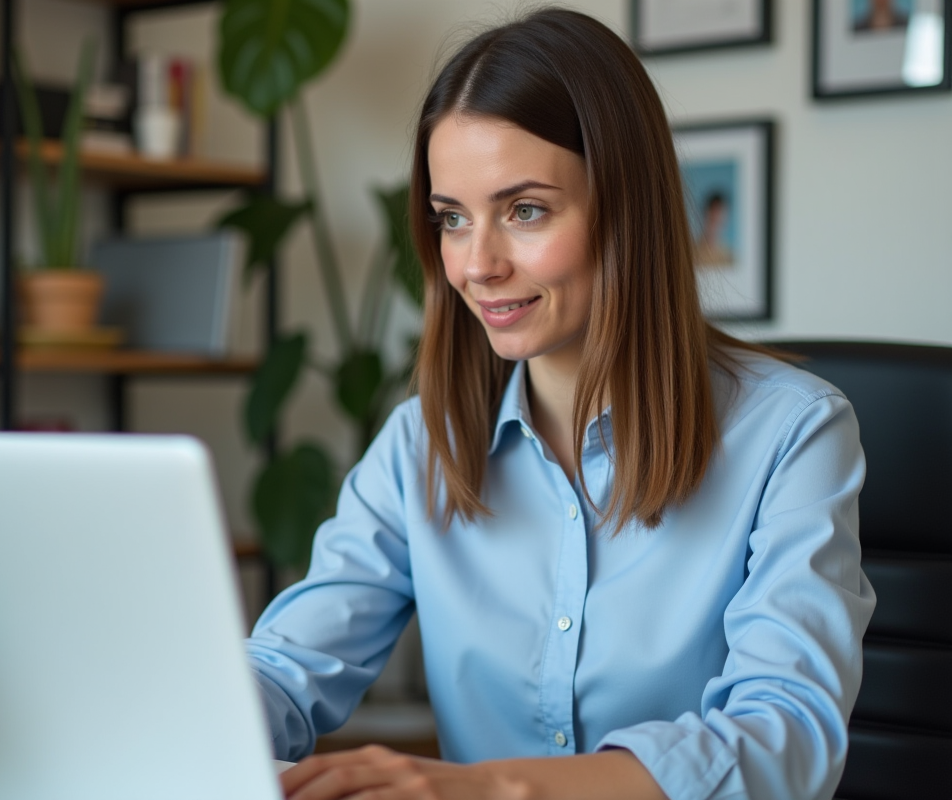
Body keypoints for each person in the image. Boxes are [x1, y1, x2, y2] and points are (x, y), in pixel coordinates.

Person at [245, 8, 875, 800]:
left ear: (624, 208)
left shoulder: (793, 434)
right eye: (452, 219)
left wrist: (486, 789)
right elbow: (286, 664)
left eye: (525, 210)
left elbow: (781, 741)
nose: (477, 265)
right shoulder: (420, 445)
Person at [693, 191, 735, 267]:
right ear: (705, 215)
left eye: (718, 217)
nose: (716, 218)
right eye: (713, 217)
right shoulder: (692, 251)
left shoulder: (729, 256)